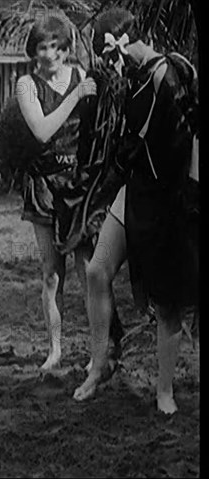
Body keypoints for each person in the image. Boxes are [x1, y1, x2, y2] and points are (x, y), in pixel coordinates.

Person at [73, 7, 198, 414]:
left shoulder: (172, 74)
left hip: (169, 199)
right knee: (96, 270)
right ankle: (99, 363)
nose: (110, 65)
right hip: (136, 190)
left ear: (125, 45)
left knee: (166, 302)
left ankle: (164, 391)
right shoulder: (131, 80)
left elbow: (185, 142)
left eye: (110, 55)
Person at [15, 14, 123, 370]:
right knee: (51, 272)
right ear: (35, 50)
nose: (52, 54)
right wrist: (76, 95)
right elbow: (42, 131)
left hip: (79, 186)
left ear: (67, 49)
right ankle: (55, 350)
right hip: (44, 185)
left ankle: (104, 347)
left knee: (87, 268)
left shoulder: (82, 76)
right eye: (44, 47)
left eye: (58, 47)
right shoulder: (26, 85)